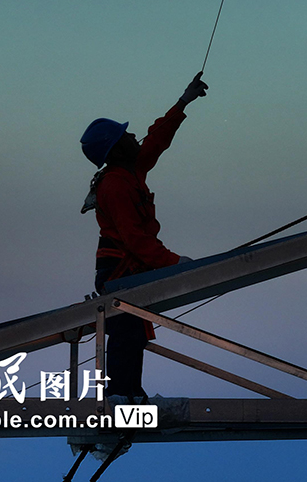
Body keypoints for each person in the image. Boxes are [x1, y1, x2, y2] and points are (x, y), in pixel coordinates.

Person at [79, 72, 209, 400]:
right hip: (121, 273)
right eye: (125, 136)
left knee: (132, 333)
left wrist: (184, 101)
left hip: (127, 271)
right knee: (126, 333)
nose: (133, 135)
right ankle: (121, 396)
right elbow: (135, 239)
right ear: (115, 148)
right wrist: (174, 263)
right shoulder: (117, 185)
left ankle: (128, 394)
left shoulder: (129, 171)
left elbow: (156, 139)